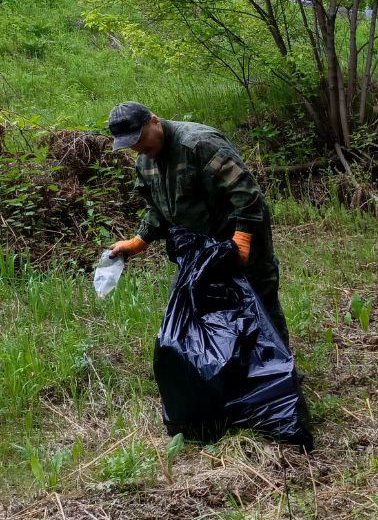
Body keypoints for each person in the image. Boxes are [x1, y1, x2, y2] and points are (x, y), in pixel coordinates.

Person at [105, 102, 291, 346]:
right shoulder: (145, 163)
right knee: (209, 306)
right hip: (200, 248)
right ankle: (233, 372)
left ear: (154, 120)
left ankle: (277, 371)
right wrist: (139, 241)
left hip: (237, 235)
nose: (137, 147)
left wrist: (242, 238)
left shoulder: (198, 145)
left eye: (139, 138)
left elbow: (248, 194)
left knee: (258, 299)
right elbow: (158, 210)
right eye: (130, 144)